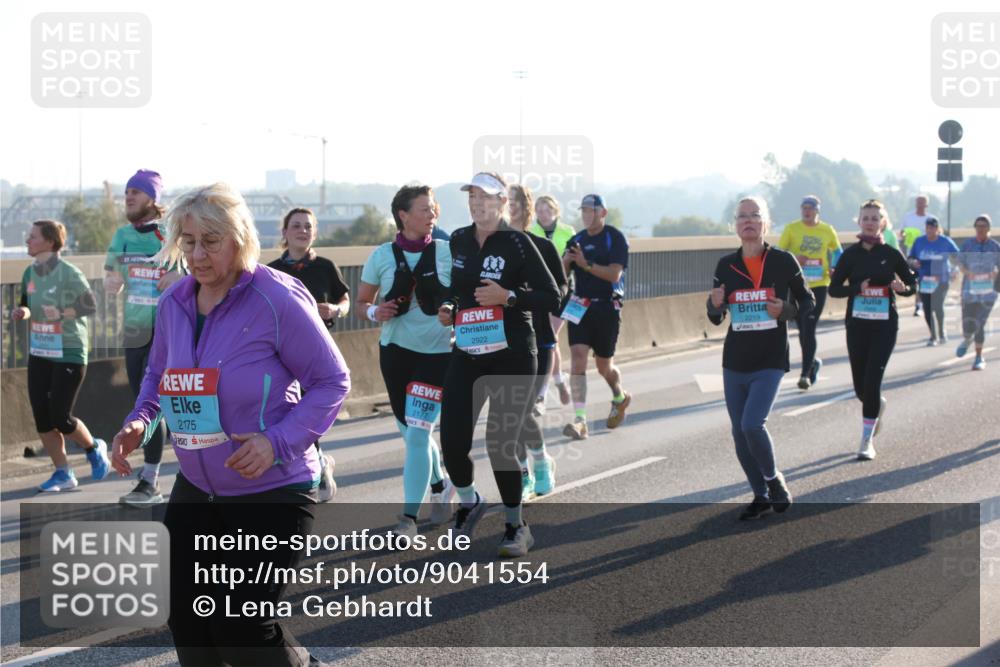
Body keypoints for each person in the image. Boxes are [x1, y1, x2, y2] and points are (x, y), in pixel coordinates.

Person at [110, 183, 350, 666]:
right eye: (188, 241)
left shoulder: (277, 299)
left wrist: (275, 442)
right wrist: (140, 421)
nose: (197, 255)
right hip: (198, 485)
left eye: (210, 241)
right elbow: (160, 374)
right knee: (187, 617)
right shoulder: (175, 302)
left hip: (272, 485)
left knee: (240, 623)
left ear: (240, 239)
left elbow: (332, 380)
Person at [437, 171, 559, 558]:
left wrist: (507, 297)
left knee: (501, 444)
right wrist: (450, 308)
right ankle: (471, 502)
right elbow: (458, 292)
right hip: (468, 351)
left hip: (513, 355)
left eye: (485, 197)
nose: (477, 203)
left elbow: (551, 296)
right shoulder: (457, 239)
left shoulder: (519, 243)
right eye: (472, 196)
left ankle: (516, 526)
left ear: (502, 203)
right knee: (452, 442)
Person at [356, 184, 455, 537]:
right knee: (410, 432)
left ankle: (408, 519)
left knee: (417, 433)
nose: (433, 214)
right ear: (403, 215)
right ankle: (441, 483)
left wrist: (452, 310)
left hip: (437, 355)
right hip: (395, 354)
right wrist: (373, 311)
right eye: (425, 209)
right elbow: (361, 301)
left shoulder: (448, 251)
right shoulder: (381, 255)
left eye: (434, 208)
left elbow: (465, 295)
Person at [707, 197, 813, 520]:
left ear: (766, 224)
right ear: (735, 225)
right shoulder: (726, 265)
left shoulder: (783, 261)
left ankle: (773, 479)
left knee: (753, 424)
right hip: (735, 361)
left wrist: (787, 311)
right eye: (742, 217)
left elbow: (808, 304)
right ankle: (760, 495)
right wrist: (713, 305)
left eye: (755, 216)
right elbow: (715, 317)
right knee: (739, 434)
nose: (748, 221)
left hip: (769, 358)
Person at [13, 220, 111, 492]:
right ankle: (63, 473)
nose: (27, 240)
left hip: (68, 351)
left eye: (32, 236)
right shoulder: (29, 273)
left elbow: (90, 303)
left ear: (50, 241)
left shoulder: (68, 273)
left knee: (60, 418)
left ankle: (93, 447)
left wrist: (64, 313)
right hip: (40, 351)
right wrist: (23, 313)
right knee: (42, 418)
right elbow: (26, 304)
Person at [104, 169, 183, 506]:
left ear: (153, 199)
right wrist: (112, 282)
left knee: (165, 405)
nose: (129, 198)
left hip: (168, 331)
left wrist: (179, 276)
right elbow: (113, 276)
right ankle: (154, 479)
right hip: (135, 332)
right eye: (126, 193)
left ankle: (151, 479)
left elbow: (194, 272)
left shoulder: (170, 235)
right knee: (144, 405)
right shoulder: (122, 235)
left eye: (136, 193)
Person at [268, 207, 350, 502]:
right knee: (291, 410)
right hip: (280, 353)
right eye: (296, 225)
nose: (302, 230)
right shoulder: (272, 270)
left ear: (314, 233)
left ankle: (315, 465)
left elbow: (345, 297)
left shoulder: (326, 266)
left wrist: (338, 309)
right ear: (285, 232)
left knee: (311, 408)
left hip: (317, 353)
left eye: (308, 226)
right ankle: (315, 464)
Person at [829, 199, 916, 460]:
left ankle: (866, 441)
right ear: (859, 221)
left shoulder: (891, 254)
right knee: (860, 388)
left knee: (873, 379)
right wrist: (857, 289)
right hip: (856, 325)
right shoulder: (850, 255)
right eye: (865, 217)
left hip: (884, 326)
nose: (869, 222)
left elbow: (912, 284)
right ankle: (876, 404)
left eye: (874, 218)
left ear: (883, 223)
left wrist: (903, 289)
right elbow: (834, 289)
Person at [509, 184, 567, 499]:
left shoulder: (542, 248)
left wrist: (524, 297)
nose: (506, 209)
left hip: (539, 340)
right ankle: (522, 474)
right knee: (509, 411)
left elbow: (559, 291)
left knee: (523, 409)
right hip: (500, 341)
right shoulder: (490, 248)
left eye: (512, 203)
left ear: (526, 209)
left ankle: (541, 460)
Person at [561, 194, 631, 440]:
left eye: (591, 210)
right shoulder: (576, 239)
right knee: (578, 358)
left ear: (603, 212)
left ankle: (619, 396)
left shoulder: (615, 238)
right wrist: (566, 262)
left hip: (606, 307)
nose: (586, 215)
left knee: (604, 366)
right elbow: (561, 275)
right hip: (580, 306)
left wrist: (586, 264)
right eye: (584, 211)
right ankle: (580, 420)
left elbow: (614, 275)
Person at [777, 195, 842, 390]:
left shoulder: (826, 230)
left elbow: (838, 252)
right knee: (802, 329)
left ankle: (805, 374)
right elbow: (780, 253)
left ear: (817, 210)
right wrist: (795, 258)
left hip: (819, 284)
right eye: (803, 207)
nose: (806, 211)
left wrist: (834, 267)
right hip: (797, 286)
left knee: (810, 325)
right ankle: (813, 362)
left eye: (810, 208)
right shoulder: (792, 228)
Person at [528, 195, 576, 405]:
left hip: (564, 290)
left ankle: (542, 392)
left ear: (556, 211)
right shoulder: (530, 232)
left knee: (551, 337)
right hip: (540, 291)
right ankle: (558, 382)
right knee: (548, 340)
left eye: (547, 210)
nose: (543, 213)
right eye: (539, 209)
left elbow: (572, 262)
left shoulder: (568, 232)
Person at [955, 214, 1000, 370]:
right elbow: (960, 263)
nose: (980, 229)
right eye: (978, 226)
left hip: (988, 293)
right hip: (969, 292)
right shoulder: (967, 245)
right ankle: (967, 339)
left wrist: (996, 273)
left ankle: (979, 357)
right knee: (968, 325)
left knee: (980, 324)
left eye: (984, 226)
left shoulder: (995, 247)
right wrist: (967, 272)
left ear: (989, 228)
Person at [908, 216, 960, 345]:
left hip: (941, 279)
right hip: (925, 279)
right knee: (927, 307)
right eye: (928, 228)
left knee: (937, 306)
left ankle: (942, 332)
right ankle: (933, 335)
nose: (930, 230)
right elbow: (910, 258)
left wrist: (955, 269)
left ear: (937, 229)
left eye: (932, 227)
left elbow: (958, 257)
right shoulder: (919, 242)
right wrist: (913, 262)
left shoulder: (945, 241)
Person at [901, 195, 931, 315]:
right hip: (912, 254)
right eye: (918, 203)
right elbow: (902, 232)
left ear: (926, 205)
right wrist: (904, 236)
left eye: (922, 203)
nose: (920, 205)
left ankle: (923, 303)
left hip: (928, 255)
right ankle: (918, 304)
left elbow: (938, 234)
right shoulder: (908, 217)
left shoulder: (931, 219)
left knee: (924, 280)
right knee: (916, 280)